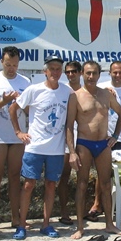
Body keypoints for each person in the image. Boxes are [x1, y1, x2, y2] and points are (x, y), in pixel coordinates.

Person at [9, 55, 73, 240]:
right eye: (51, 68)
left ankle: (46, 224)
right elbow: (14, 108)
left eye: (58, 69)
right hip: (34, 147)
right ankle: (21, 225)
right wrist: (18, 132)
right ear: (45, 71)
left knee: (51, 185)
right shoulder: (34, 90)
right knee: (29, 185)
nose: (55, 72)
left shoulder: (67, 92)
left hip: (55, 149)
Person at [66, 60, 121, 240]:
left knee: (106, 184)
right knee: (82, 184)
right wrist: (72, 151)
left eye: (94, 73)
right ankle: (80, 227)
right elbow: (69, 126)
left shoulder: (106, 95)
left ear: (99, 75)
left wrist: (114, 136)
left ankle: (109, 224)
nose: (91, 77)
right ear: (82, 74)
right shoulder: (75, 96)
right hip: (84, 143)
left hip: (103, 144)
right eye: (87, 73)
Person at [0, 46, 31, 234]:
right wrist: (4, 101)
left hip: (18, 135)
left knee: (14, 176)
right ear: (1, 62)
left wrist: (21, 101)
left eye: (14, 65)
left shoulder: (26, 81)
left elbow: (30, 111)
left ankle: (15, 217)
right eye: (8, 64)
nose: (11, 68)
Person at [88, 61, 121, 219]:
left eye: (120, 72)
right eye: (115, 72)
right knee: (102, 173)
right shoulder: (100, 88)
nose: (118, 75)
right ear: (109, 73)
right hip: (102, 137)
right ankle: (97, 205)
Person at [56, 61, 82, 226]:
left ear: (80, 72)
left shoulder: (90, 90)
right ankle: (64, 212)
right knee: (64, 176)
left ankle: (86, 211)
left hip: (86, 138)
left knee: (84, 178)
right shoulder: (63, 91)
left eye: (74, 71)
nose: (71, 75)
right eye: (68, 72)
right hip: (67, 139)